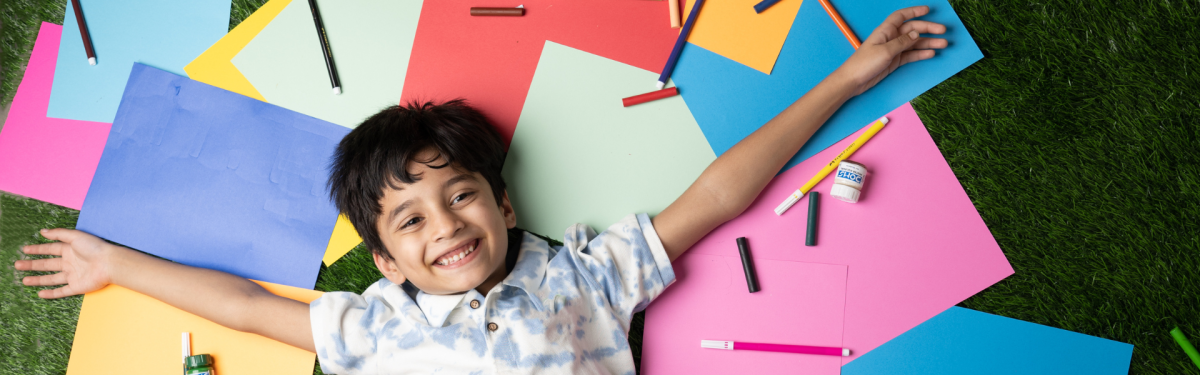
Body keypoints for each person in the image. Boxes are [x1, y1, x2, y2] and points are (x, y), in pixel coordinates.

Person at [14, 7, 947, 374]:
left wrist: (846, 81)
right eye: (410, 219)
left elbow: (715, 196)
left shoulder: (589, 277)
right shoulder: (372, 324)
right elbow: (248, 307)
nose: (446, 224)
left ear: (503, 205)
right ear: (384, 260)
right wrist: (114, 262)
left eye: (461, 195)